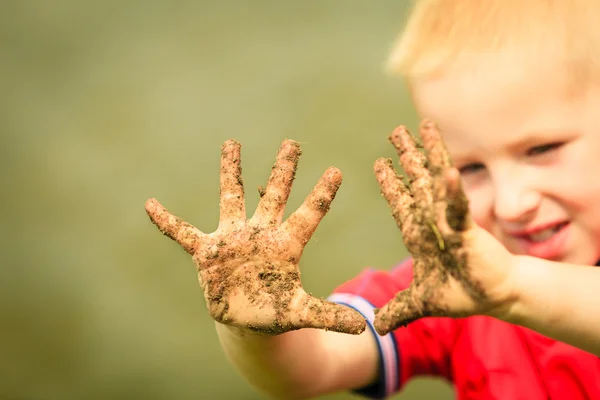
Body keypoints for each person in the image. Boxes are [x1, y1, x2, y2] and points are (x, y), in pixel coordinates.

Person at [145, 0, 600, 399]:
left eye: (542, 150)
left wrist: (512, 288)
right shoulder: (447, 287)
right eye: (469, 168)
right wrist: (251, 325)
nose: (510, 203)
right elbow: (312, 368)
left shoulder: (494, 283)